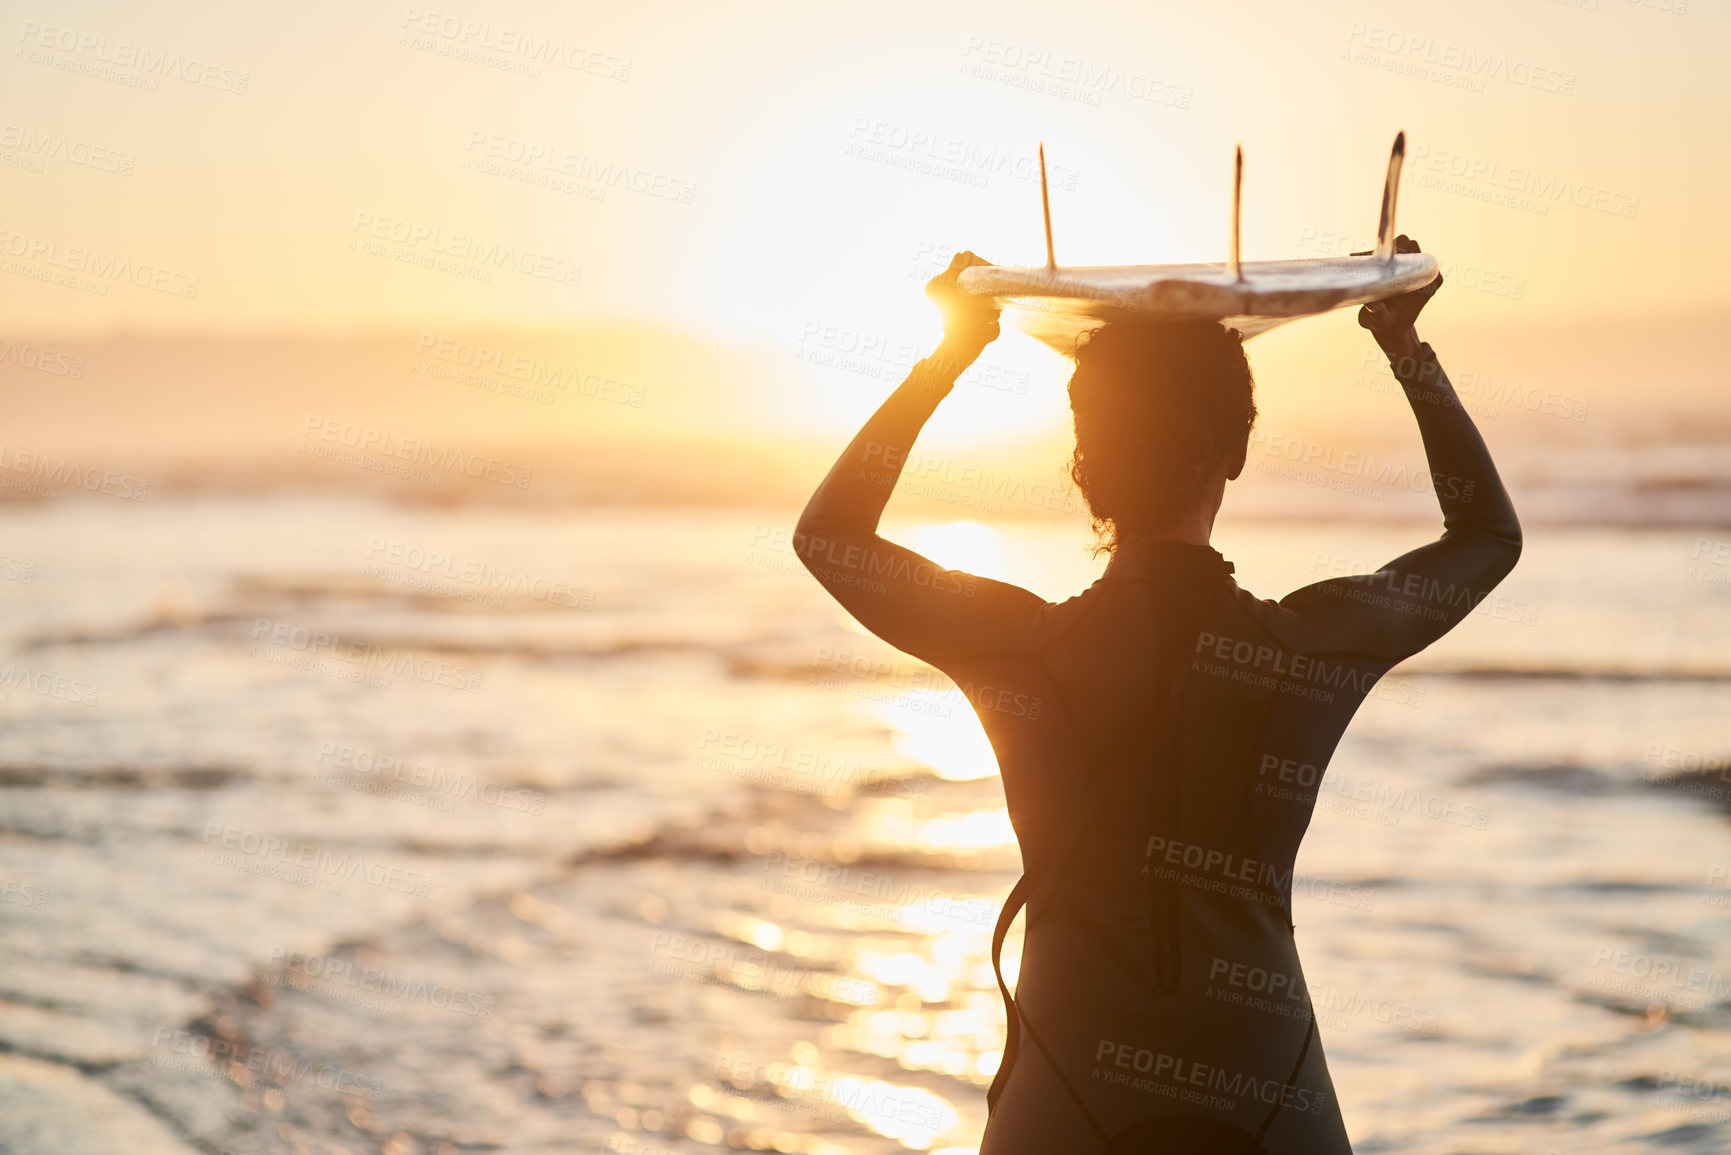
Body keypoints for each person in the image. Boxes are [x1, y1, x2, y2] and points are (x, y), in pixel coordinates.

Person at [794, 240, 1521, 1154]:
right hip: (1266, 1088)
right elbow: (1485, 534)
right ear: (1238, 449)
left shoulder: (1019, 649)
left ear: (1082, 461)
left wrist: (948, 355)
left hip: (1066, 1092)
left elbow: (829, 537)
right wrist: (1404, 344)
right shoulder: (1308, 646)